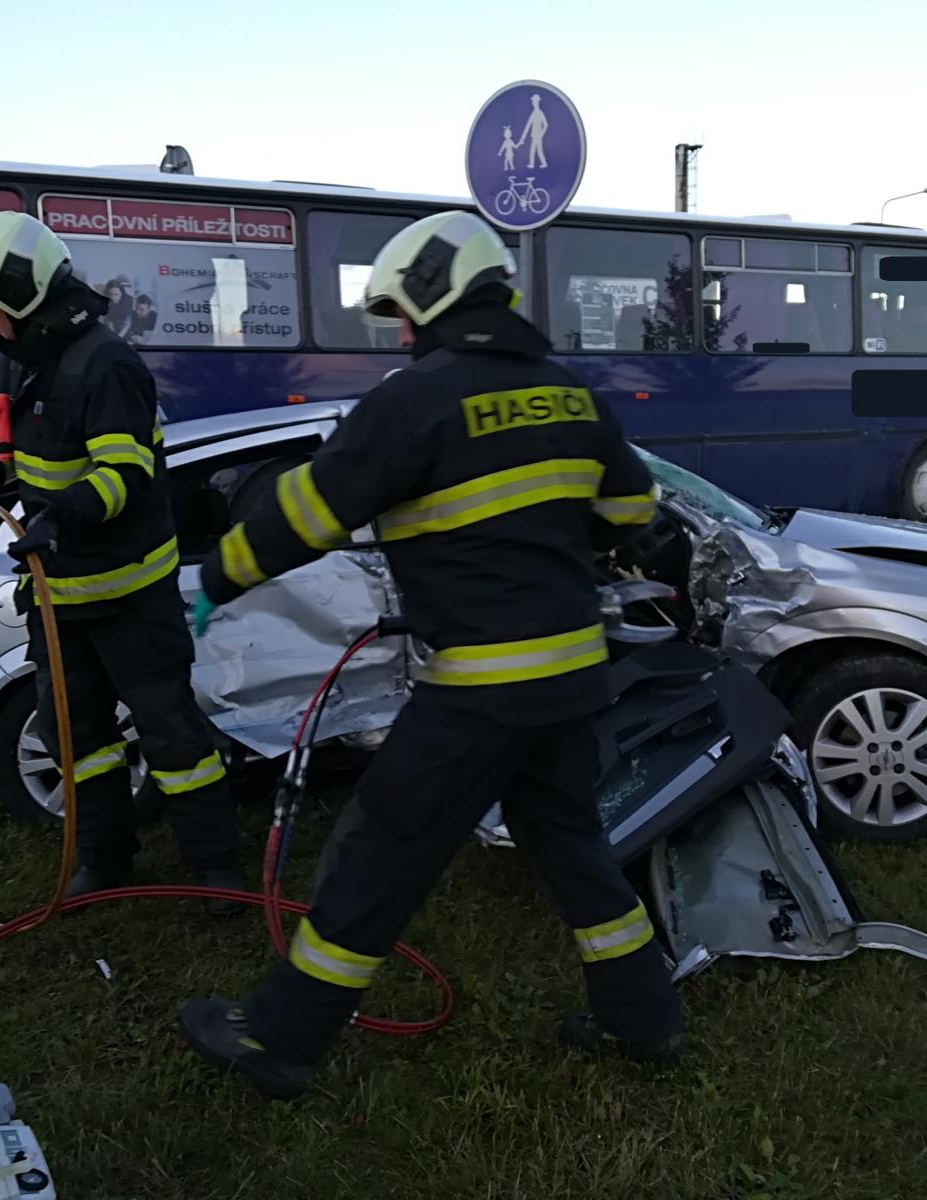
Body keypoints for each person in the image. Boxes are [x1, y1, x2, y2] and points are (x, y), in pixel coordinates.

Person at [178, 210, 683, 1100]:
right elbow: (638, 521)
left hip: (480, 691)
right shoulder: (571, 395)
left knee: (382, 851)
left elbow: (304, 515)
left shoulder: (411, 402)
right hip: (572, 680)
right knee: (575, 849)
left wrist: (214, 579)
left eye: (402, 317)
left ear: (431, 300)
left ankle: (282, 1037)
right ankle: (642, 1020)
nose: (401, 336)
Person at [0, 212, 240, 905]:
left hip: (130, 596)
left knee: (172, 735)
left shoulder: (107, 365)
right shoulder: (19, 359)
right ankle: (106, 859)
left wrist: (57, 520)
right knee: (79, 737)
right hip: (58, 598)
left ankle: (217, 868)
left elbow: (124, 475)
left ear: (23, 297)